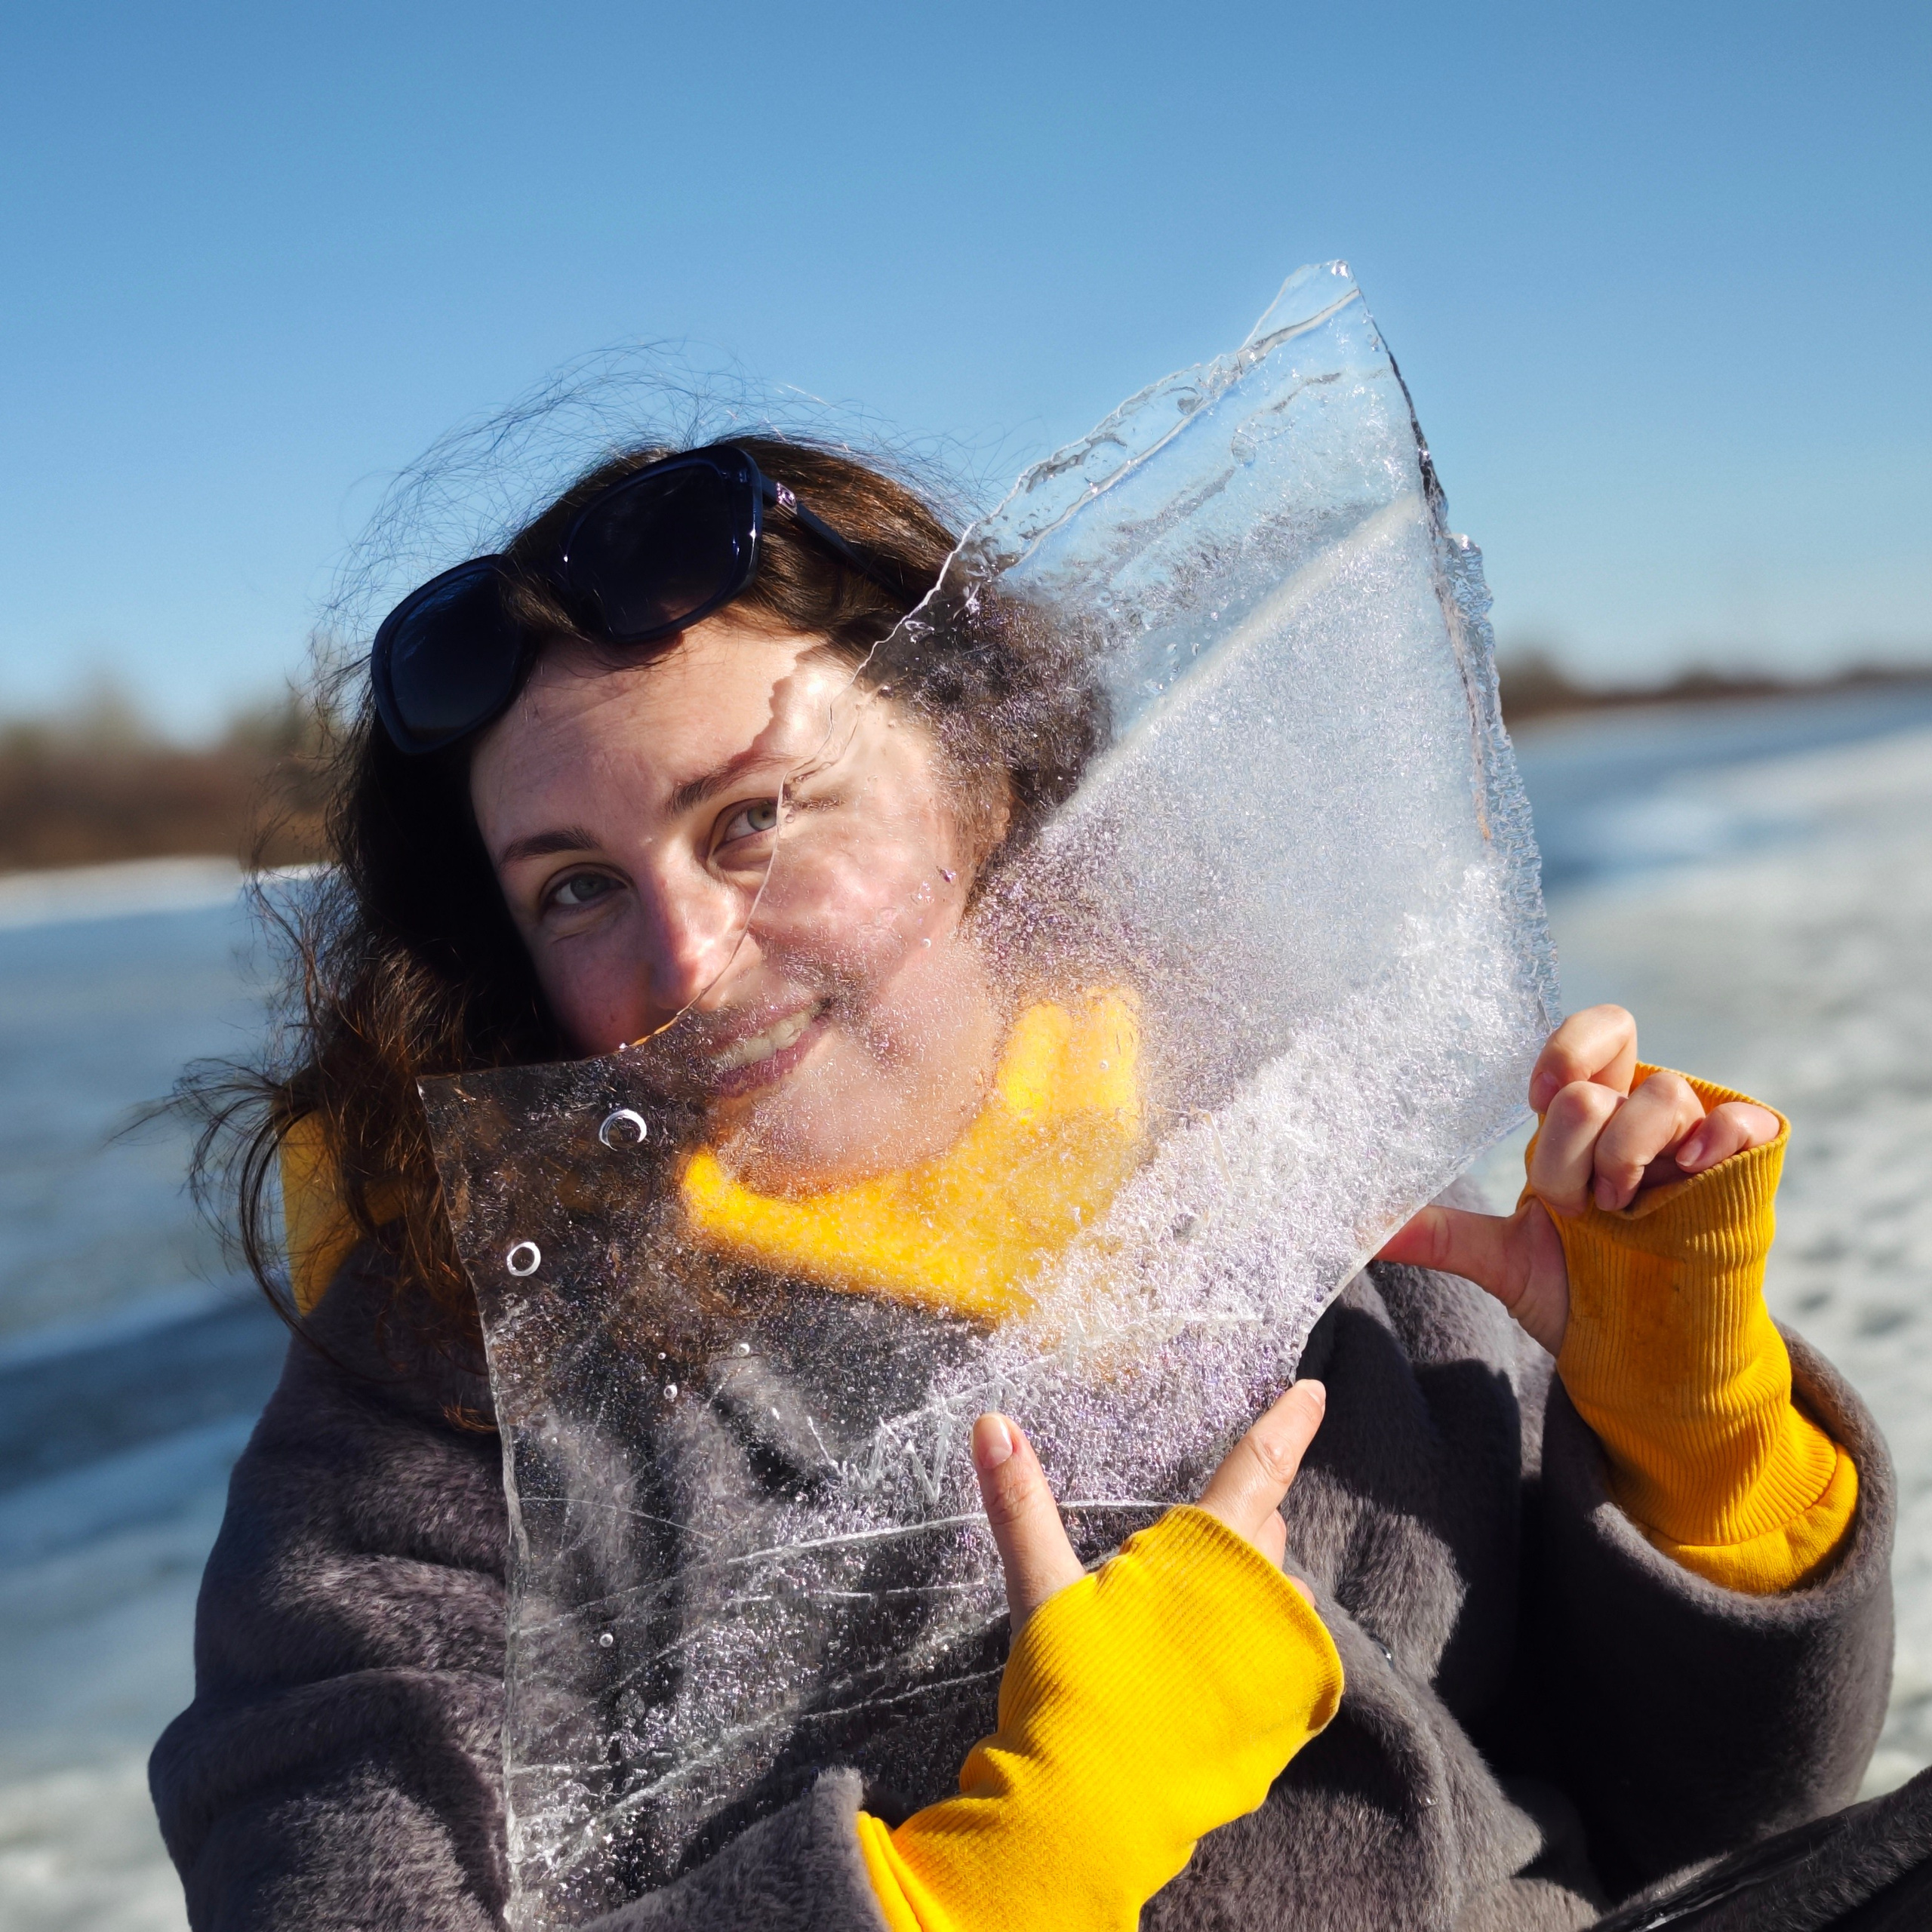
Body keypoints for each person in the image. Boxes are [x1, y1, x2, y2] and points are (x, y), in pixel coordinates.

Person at [151, 435, 1921, 1931]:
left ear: (977, 776)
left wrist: (1685, 1414)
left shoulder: (1286, 1153)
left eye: (753, 816)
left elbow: (1715, 1795)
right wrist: (986, 1879)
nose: (679, 954)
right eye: (574, 888)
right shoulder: (446, 1393)